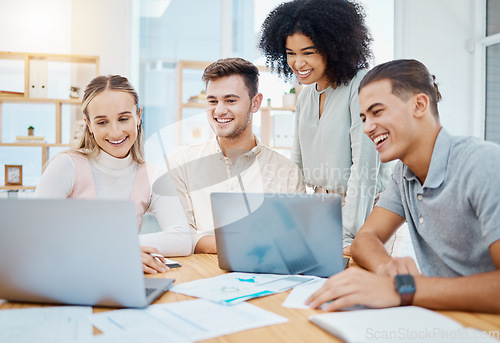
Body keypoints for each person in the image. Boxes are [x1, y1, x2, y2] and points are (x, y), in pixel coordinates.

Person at [307, 59, 500, 313]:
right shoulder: (404, 173)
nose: (367, 127)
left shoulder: (483, 164)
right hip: (441, 316)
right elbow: (365, 239)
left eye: (377, 112)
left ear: (419, 105)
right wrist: (388, 269)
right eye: (363, 117)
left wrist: (402, 289)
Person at [259, 0, 392, 255]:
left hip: (367, 214)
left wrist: (348, 234)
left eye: (308, 52)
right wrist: (289, 222)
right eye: (290, 53)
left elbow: (365, 169)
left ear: (333, 47)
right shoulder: (305, 97)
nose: (298, 63)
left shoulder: (360, 84)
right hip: (322, 209)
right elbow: (295, 168)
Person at [35, 75, 192, 274]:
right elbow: (36, 235)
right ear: (88, 124)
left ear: (138, 116)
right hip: (69, 274)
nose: (116, 132)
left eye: (124, 118)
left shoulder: (154, 176)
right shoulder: (66, 165)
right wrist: (116, 249)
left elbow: (181, 239)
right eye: (102, 122)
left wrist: (116, 249)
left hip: (122, 276)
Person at [166, 57, 306, 254]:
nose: (220, 110)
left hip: (263, 278)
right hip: (199, 279)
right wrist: (249, 243)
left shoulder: (287, 172)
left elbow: (293, 240)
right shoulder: (181, 162)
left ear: (255, 103)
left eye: (230, 100)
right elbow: (180, 235)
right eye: (212, 101)